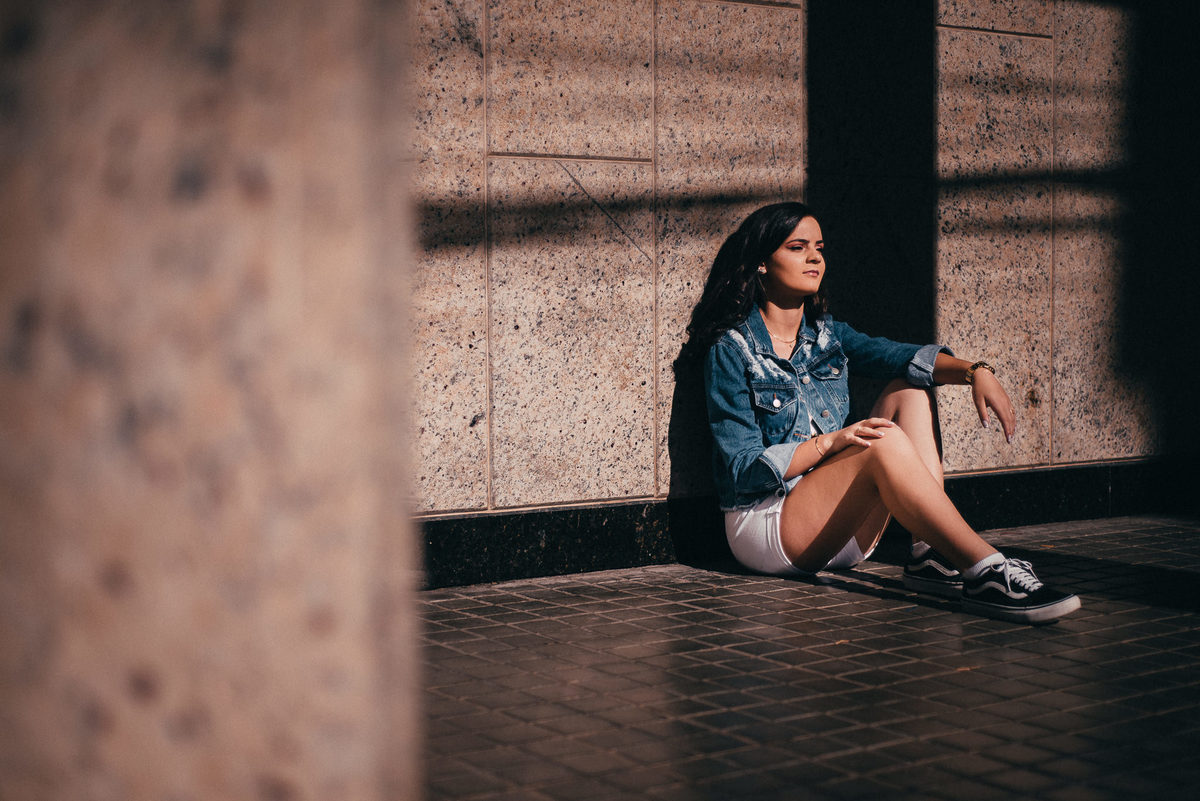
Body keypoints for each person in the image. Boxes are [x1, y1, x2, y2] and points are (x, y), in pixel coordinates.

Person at [685, 202, 1079, 624]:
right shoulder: (732, 349)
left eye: (819, 247)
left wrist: (975, 371)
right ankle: (987, 571)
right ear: (762, 264)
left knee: (909, 390)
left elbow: (902, 357)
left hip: (837, 526)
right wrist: (830, 443)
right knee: (880, 439)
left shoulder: (828, 336)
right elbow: (743, 469)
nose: (815, 257)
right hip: (767, 525)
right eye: (797, 247)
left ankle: (931, 555)